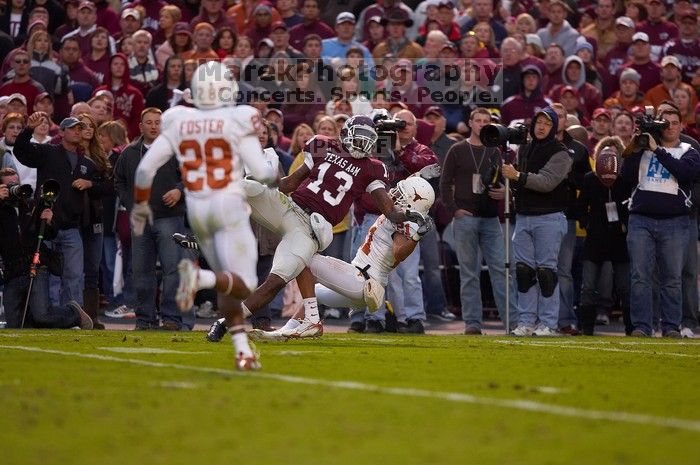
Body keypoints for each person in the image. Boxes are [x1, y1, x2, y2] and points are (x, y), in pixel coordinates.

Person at [194, 115, 426, 340]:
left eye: (367, 139)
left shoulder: (372, 168)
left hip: (308, 229)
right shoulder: (322, 146)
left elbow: (389, 210)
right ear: (345, 134)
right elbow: (290, 184)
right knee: (246, 187)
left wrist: (411, 215)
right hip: (289, 208)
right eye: (358, 138)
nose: (362, 144)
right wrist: (268, 185)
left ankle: (225, 323)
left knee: (276, 280)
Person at [131, 62, 276, 369]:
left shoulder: (178, 120)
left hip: (197, 209)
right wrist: (269, 172)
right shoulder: (238, 119)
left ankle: (241, 350)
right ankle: (199, 277)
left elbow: (144, 170)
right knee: (245, 283)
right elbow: (262, 173)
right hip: (229, 204)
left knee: (227, 280)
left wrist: (142, 205)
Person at [620, 108, 700, 337]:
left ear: (681, 126)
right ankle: (642, 327)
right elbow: (626, 176)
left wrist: (658, 150)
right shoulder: (643, 148)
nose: (671, 127)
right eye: (666, 123)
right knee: (640, 276)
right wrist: (636, 147)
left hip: (675, 221)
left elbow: (684, 172)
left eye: (675, 123)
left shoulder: (689, 151)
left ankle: (671, 327)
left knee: (672, 278)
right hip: (641, 219)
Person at [440, 108, 517, 334]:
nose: (482, 124)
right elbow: (444, 183)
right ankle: (472, 323)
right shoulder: (457, 150)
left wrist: (505, 193)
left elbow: (509, 183)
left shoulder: (497, 151)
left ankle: (512, 323)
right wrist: (454, 210)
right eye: (478, 120)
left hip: (491, 218)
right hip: (466, 218)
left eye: (487, 121)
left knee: (500, 271)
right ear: (470, 123)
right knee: (469, 273)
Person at [14, 114, 100, 308]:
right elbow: (21, 151)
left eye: (80, 128)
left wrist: (90, 183)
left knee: (74, 276)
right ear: (61, 132)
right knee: (47, 275)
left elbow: (107, 187)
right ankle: (46, 314)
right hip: (47, 226)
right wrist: (28, 130)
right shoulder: (47, 152)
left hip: (72, 227)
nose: (77, 131)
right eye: (72, 128)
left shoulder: (86, 163)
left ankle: (73, 316)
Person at [114, 107, 187, 331]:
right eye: (149, 122)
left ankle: (172, 319)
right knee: (141, 270)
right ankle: (144, 319)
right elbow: (119, 181)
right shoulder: (128, 153)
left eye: (158, 122)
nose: (154, 126)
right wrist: (130, 201)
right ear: (141, 126)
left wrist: (179, 190)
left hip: (170, 218)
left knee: (172, 270)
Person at [502, 106, 572, 336]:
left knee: (546, 272)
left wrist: (518, 176)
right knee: (523, 272)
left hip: (549, 217)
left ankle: (549, 323)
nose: (541, 127)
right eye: (538, 122)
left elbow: (547, 182)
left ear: (555, 127)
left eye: (547, 123)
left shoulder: (561, 152)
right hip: (524, 216)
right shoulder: (525, 149)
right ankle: (526, 322)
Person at [0, 167, 92, 330]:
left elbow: (50, 234)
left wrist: (49, 222)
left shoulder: (31, 206)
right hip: (11, 272)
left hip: (35, 266)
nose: (14, 189)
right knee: (15, 326)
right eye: (9, 186)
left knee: (42, 315)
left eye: (16, 184)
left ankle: (73, 313)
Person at [578, 136, 632, 335]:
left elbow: (630, 207)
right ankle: (587, 329)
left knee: (625, 286)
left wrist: (626, 227)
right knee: (588, 286)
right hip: (596, 238)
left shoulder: (625, 181)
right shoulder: (590, 179)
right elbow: (581, 207)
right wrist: (588, 224)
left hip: (620, 239)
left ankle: (630, 327)